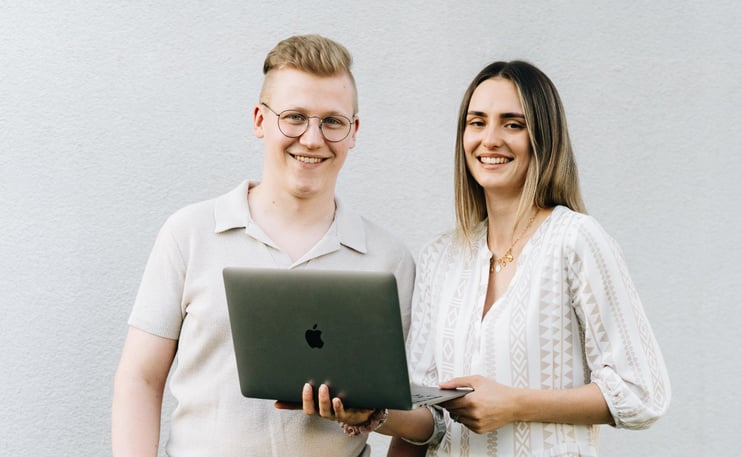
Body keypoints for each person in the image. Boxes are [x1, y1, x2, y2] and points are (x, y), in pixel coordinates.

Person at [305, 61, 671, 457]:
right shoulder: (441, 256)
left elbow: (642, 393)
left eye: (512, 124)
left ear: (542, 138)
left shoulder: (577, 241)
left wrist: (514, 404)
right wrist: (369, 413)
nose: (490, 139)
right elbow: (432, 422)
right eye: (477, 122)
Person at [111, 34, 415, 457]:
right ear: (259, 120)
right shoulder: (190, 232)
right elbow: (140, 379)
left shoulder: (391, 260)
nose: (312, 138)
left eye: (332, 121)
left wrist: (369, 415)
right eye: (294, 117)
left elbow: (412, 412)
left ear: (353, 132)